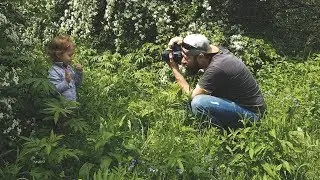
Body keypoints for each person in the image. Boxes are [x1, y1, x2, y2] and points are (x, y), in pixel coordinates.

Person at [167, 34, 266, 129]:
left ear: (201, 57)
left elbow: (191, 96)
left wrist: (175, 69)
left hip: (252, 115)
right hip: (243, 106)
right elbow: (199, 45)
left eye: (186, 57)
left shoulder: (217, 67)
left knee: (198, 103)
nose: (183, 61)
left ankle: (219, 134)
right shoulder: (213, 52)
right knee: (191, 104)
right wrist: (181, 41)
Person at [47, 35, 83, 102]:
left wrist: (79, 72)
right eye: (70, 55)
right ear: (58, 55)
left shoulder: (69, 68)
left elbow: (77, 83)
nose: (72, 58)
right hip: (61, 108)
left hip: (71, 107)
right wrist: (66, 83)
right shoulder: (54, 71)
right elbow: (53, 91)